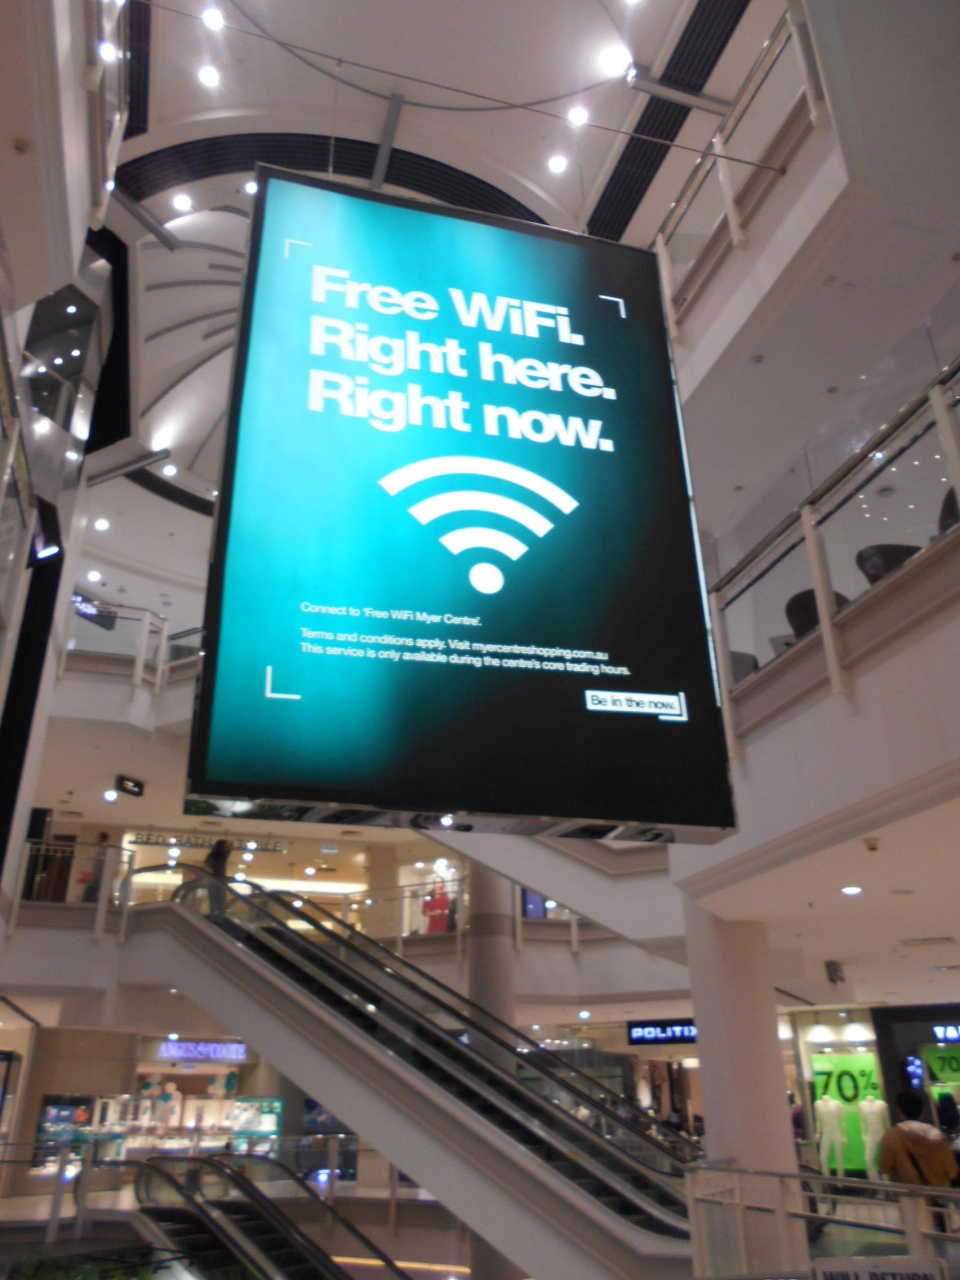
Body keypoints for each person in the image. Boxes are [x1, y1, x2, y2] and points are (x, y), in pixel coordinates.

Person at [879, 1089, 959, 1187]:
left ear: (900, 1112)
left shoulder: (892, 1136)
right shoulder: (937, 1136)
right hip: (940, 1192)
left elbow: (885, 1167)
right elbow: (953, 1172)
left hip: (911, 1192)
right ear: (922, 1112)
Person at [203, 839, 233, 921]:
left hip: (212, 879)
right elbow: (230, 847)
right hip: (221, 879)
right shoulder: (223, 856)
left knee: (213, 900)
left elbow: (207, 866)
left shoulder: (211, 856)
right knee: (221, 899)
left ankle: (212, 917)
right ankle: (220, 918)